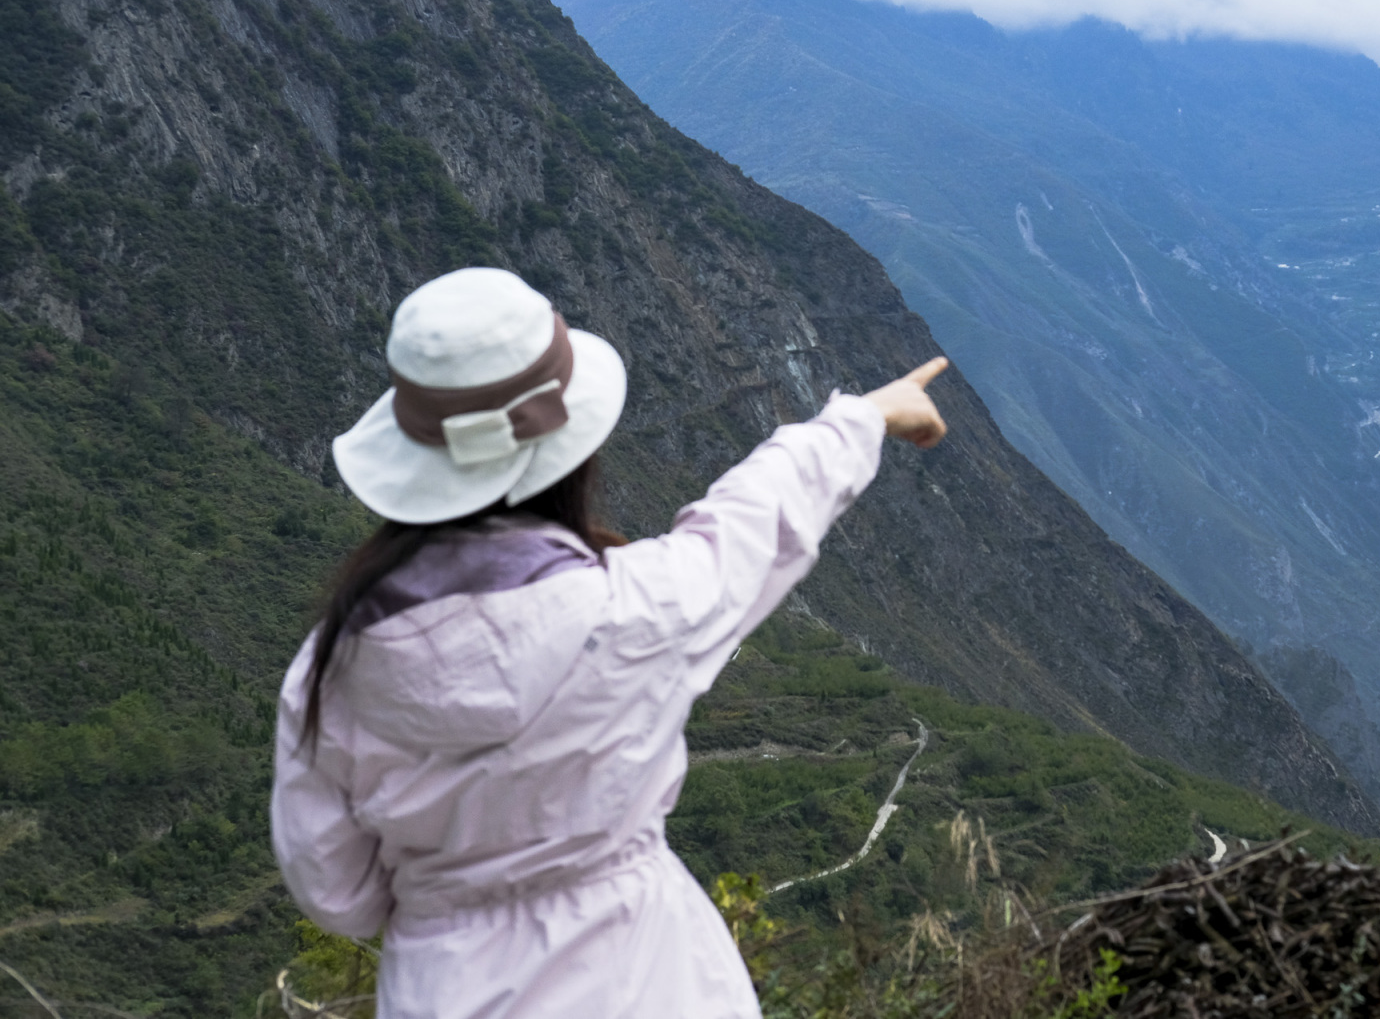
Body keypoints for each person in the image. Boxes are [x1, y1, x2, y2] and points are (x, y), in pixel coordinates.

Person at [270, 267, 949, 1017]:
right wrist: (862, 419)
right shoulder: (631, 612)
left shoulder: (331, 669)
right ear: (573, 452)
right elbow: (756, 521)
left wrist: (452, 892)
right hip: (647, 980)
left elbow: (338, 892)